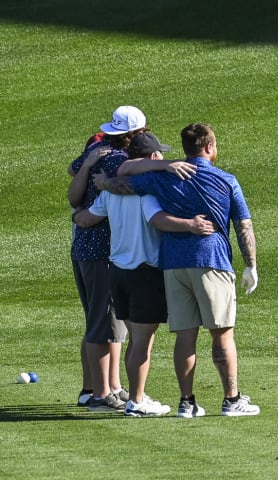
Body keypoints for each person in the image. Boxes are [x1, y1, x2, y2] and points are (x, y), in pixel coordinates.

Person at [101, 123, 260, 417]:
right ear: (210, 147)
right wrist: (250, 265)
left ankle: (187, 403)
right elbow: (243, 226)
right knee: (222, 335)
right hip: (213, 262)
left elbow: (121, 177)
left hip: (173, 266)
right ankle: (232, 399)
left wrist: (104, 182)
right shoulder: (226, 180)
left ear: (185, 149)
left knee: (185, 337)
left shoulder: (162, 178)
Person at [74, 132, 212, 416]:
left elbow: (87, 218)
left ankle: (130, 395)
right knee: (141, 341)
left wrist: (76, 215)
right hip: (145, 273)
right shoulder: (149, 190)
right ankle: (136, 401)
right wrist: (190, 225)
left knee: (133, 338)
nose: (162, 157)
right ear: (151, 157)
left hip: (118, 274)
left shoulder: (109, 192)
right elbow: (157, 219)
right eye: (159, 153)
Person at [68, 106, 148, 410]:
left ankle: (107, 387)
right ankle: (101, 393)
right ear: (136, 134)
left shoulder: (98, 150)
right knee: (103, 322)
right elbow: (127, 179)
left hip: (86, 247)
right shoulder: (118, 161)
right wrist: (170, 167)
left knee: (108, 321)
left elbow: (72, 174)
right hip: (103, 250)